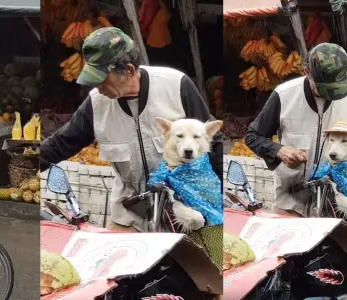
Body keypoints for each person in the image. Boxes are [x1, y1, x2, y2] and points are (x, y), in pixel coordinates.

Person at [40, 27, 222, 232]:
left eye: (102, 79)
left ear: (128, 71)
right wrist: (29, 163)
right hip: (130, 211)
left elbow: (214, 143)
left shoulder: (176, 85)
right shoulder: (97, 103)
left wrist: (215, 201)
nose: (97, 87)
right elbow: (60, 144)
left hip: (184, 208)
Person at [245, 42, 347, 217]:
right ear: (307, 72)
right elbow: (252, 136)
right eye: (325, 88)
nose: (331, 95)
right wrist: (279, 151)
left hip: (335, 204)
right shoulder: (284, 95)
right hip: (290, 201)